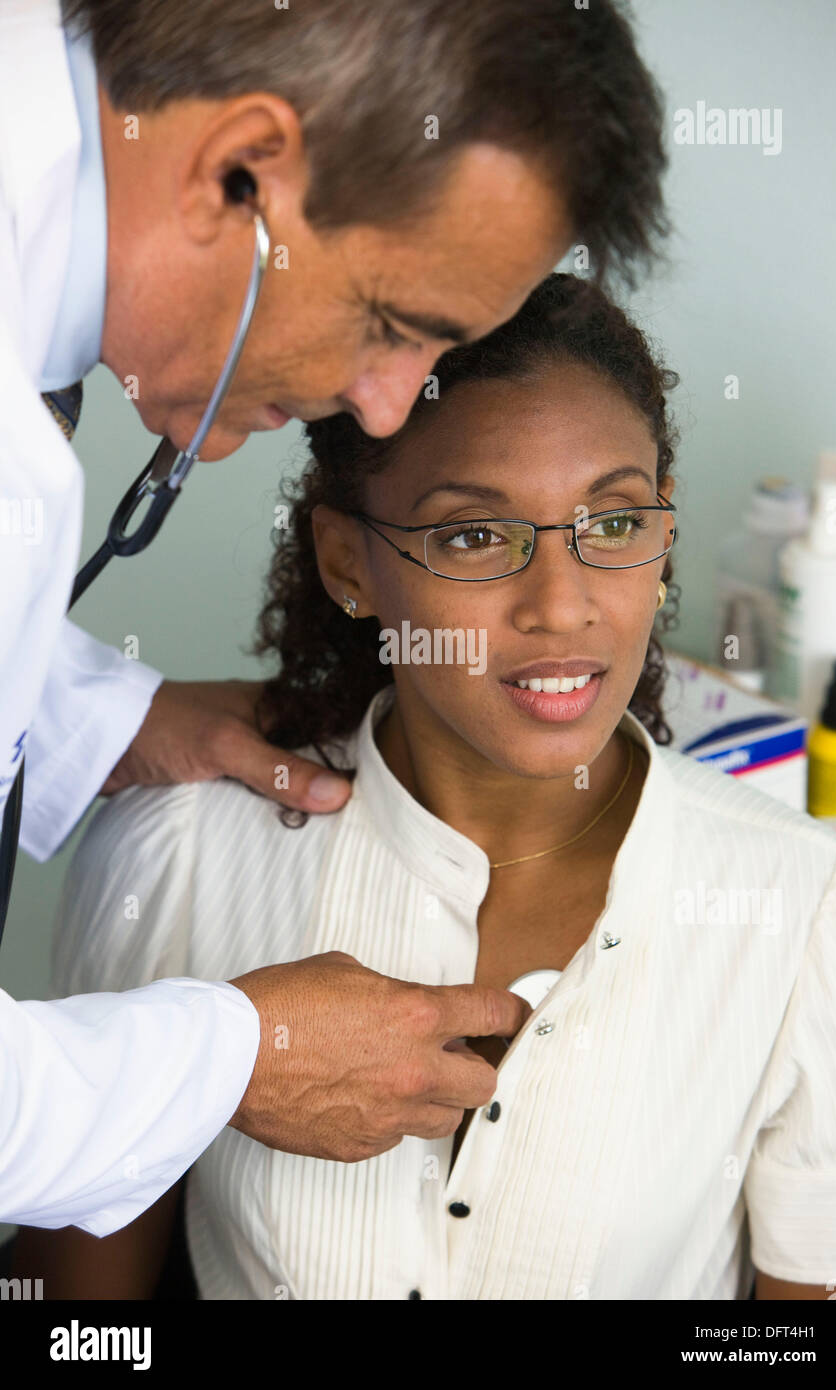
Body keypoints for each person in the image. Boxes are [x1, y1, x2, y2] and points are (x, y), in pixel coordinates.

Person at [16, 274, 836, 1300]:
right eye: (473, 535)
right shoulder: (182, 845)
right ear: (348, 562)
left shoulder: (810, 911)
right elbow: (77, 1324)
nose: (561, 606)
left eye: (611, 522)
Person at [0, 0, 671, 1232]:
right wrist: (230, 1061)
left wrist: (86, 713)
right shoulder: (182, 860)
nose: (378, 407)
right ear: (234, 172)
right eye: (391, 324)